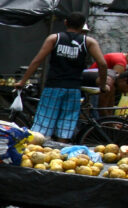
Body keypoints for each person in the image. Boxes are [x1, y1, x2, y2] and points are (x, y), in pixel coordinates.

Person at [15, 12, 107, 142]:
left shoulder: (54, 38)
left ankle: (37, 152)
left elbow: (37, 61)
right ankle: (59, 154)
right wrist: (102, 85)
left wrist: (23, 81)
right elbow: (102, 64)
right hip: (74, 89)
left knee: (44, 122)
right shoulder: (89, 42)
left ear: (65, 22)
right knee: (66, 124)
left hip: (53, 87)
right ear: (82, 26)